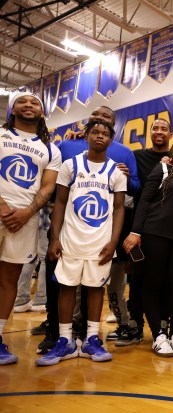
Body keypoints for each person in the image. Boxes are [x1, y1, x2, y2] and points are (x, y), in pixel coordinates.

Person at [36, 120, 126, 366]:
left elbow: (119, 209)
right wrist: (55, 238)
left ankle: (91, 340)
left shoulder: (116, 171)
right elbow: (61, 203)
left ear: (111, 140)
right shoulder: (70, 165)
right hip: (70, 240)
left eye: (105, 134)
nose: (99, 136)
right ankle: (65, 341)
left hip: (100, 241)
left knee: (95, 289)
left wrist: (114, 241)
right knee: (67, 287)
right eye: (95, 132)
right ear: (86, 137)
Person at [123, 137, 173, 357]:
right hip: (154, 234)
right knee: (153, 285)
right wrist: (135, 232)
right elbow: (145, 200)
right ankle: (159, 335)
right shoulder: (163, 169)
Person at [0, 92, 61, 365]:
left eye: (34, 102)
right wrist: (2, 207)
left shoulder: (51, 149)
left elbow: (48, 186)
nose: (28, 105)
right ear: (12, 109)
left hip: (25, 220)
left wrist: (27, 212)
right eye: (22, 101)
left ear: (42, 112)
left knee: (8, 279)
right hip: (2, 211)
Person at [119, 118, 173, 347]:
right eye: (155, 128)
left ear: (170, 133)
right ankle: (135, 326)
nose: (159, 132)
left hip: (166, 226)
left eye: (163, 129)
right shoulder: (136, 156)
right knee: (137, 277)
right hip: (140, 226)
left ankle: (162, 327)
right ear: (149, 132)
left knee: (165, 280)